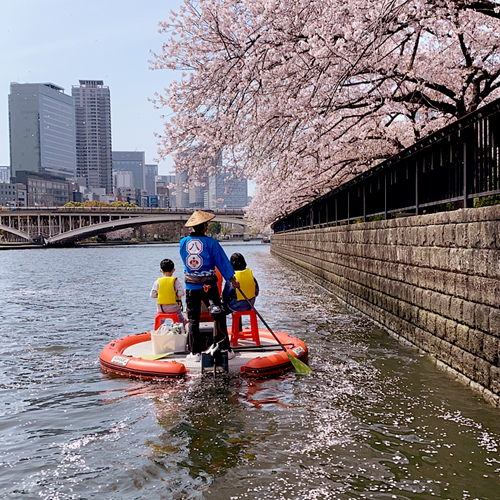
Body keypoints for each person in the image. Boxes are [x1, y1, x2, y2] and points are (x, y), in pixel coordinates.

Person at [179, 210, 240, 361]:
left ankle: (195, 352)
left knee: (193, 318)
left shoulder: (183, 243)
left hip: (191, 286)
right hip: (209, 286)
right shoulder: (212, 243)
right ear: (205, 227)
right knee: (218, 314)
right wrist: (232, 280)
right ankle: (224, 347)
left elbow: (184, 259)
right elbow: (222, 263)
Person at [150, 258, 185, 324]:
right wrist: (174, 294)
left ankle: (159, 328)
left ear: (161, 270)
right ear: (173, 270)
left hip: (162, 308)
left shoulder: (157, 282)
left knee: (160, 318)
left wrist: (161, 294)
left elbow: (152, 295)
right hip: (174, 308)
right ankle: (183, 326)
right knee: (180, 316)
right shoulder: (175, 281)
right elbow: (182, 293)